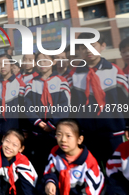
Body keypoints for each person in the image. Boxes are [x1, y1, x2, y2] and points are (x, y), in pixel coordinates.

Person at [67, 33, 129, 165]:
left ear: (102, 46)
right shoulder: (73, 75)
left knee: (117, 170)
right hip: (86, 134)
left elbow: (126, 100)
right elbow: (70, 106)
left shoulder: (114, 71)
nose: (88, 50)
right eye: (83, 47)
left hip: (114, 132)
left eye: (92, 45)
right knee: (90, 170)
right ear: (79, 51)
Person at [24, 52, 70, 176]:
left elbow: (65, 106)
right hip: (37, 132)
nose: (42, 63)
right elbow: (27, 106)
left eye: (45, 60)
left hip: (56, 133)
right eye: (39, 61)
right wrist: (38, 122)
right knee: (38, 165)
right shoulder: (31, 83)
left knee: (58, 166)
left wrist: (52, 123)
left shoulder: (61, 81)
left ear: (53, 62)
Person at [42, 119, 104, 195]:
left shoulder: (89, 163)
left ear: (79, 139)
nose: (63, 140)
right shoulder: (55, 152)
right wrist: (50, 181)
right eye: (59, 135)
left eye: (68, 136)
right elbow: (50, 171)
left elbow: (92, 190)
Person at [0, 129, 37, 195]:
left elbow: (28, 189)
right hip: (3, 185)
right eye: (7, 141)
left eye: (15, 145)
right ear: (3, 139)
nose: (9, 146)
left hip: (19, 186)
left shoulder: (23, 161)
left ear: (21, 149)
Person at [0, 54, 26, 141]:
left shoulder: (20, 84)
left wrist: (24, 128)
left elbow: (24, 109)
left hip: (15, 127)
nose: (2, 66)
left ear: (12, 65)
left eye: (5, 64)